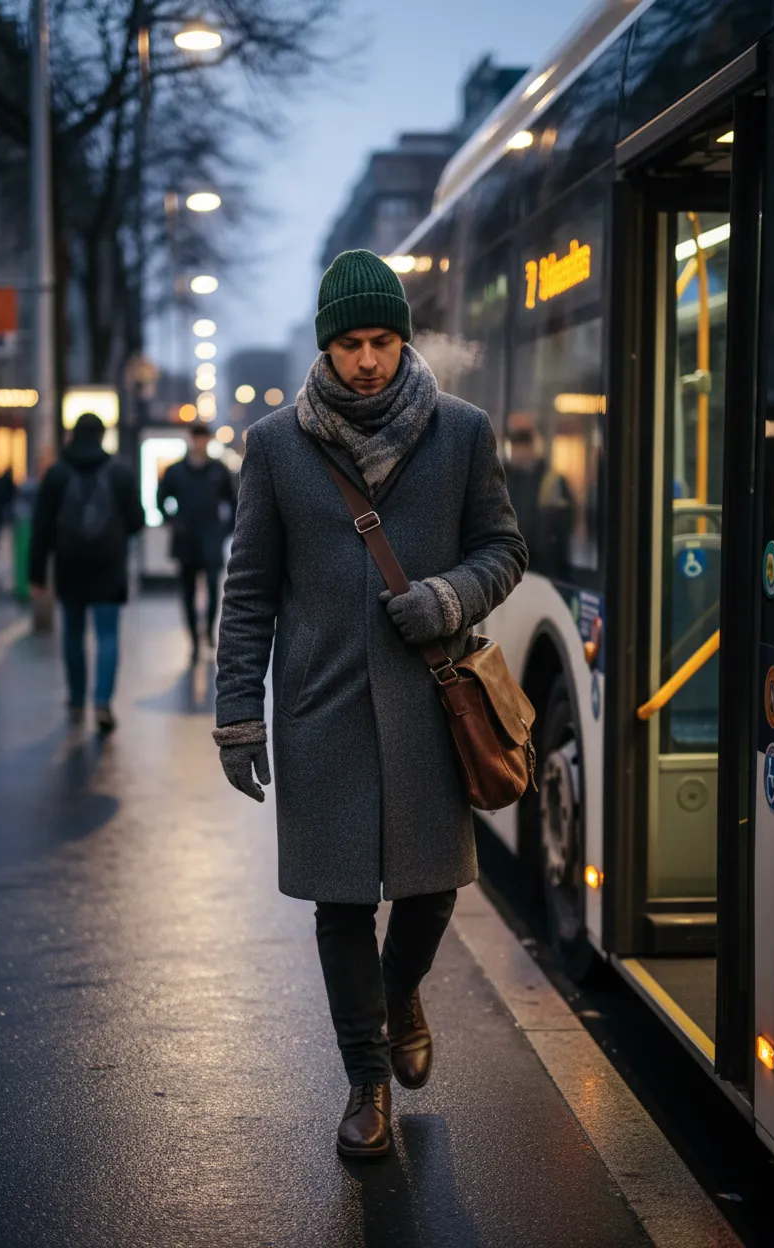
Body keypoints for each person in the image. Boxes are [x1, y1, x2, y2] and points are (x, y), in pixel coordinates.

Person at [213, 250, 528, 1159]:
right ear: (327, 347)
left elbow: (504, 549)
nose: (367, 361)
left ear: (403, 339)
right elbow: (249, 589)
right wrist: (240, 709)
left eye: (382, 341)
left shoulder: (462, 432)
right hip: (322, 708)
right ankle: (367, 1082)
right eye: (349, 344)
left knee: (434, 888)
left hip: (432, 703)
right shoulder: (276, 445)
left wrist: (451, 597)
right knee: (340, 902)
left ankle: (400, 995)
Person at [29, 413, 144, 733]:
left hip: (70, 566)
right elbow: (137, 520)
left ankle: (76, 700)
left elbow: (41, 528)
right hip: (108, 567)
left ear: (73, 435)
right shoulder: (119, 471)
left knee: (73, 633)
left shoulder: (57, 473)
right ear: (102, 435)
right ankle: (102, 702)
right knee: (107, 635)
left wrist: (37, 574)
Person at [158, 425, 237, 665]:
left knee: (213, 588)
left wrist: (224, 531)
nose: (199, 443)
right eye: (197, 438)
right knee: (188, 592)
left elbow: (233, 501)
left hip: (210, 538)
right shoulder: (176, 471)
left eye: (203, 439)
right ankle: (193, 639)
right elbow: (161, 499)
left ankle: (208, 632)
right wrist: (173, 522)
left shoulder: (218, 470)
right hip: (186, 540)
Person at [504, 412, 574, 578]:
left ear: (536, 440)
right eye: (515, 439)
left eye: (525, 438)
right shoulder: (496, 479)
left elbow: (560, 533)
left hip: (544, 576)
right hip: (506, 574)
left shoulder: (553, 481)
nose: (519, 447)